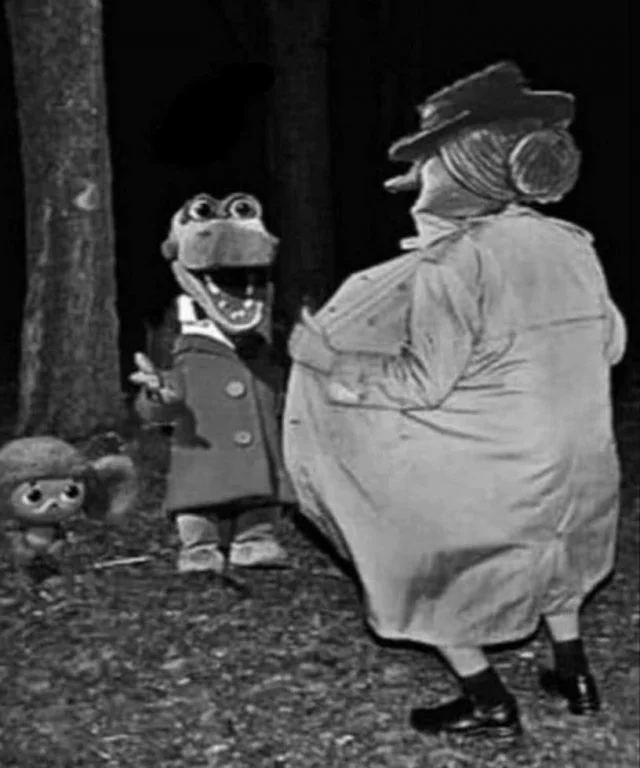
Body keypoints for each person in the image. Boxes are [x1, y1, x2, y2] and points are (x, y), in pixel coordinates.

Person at [283, 61, 626, 740]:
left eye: (429, 161)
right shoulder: (572, 245)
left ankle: (488, 700)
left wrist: (327, 360)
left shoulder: (456, 262)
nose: (422, 178)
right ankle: (575, 675)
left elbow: (422, 383)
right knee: (555, 553)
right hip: (581, 462)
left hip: (500, 473)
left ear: (462, 166)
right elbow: (610, 343)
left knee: (424, 556)